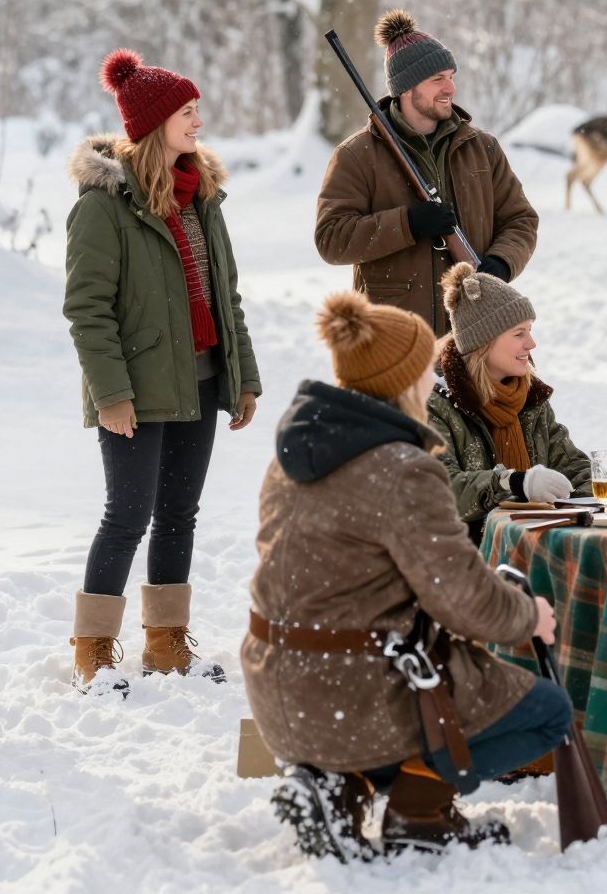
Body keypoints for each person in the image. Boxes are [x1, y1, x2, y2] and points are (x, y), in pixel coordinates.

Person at [245, 292, 575, 859]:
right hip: (354, 688)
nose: (432, 377)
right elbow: (465, 602)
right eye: (424, 367)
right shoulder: (402, 469)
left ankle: (339, 787)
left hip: (279, 687)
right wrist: (531, 614)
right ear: (403, 380)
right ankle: (412, 810)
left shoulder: (295, 454)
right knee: (549, 712)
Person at [62, 50, 261, 688]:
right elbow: (87, 311)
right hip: (136, 391)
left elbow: (226, 297)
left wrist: (243, 377)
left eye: (197, 110)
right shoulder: (103, 207)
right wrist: (111, 394)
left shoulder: (203, 196)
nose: (198, 122)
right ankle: (93, 652)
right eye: (186, 112)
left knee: (179, 513)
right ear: (152, 124)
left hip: (200, 382)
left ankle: (167, 644)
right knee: (127, 514)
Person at [315, 10, 538, 336]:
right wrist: (408, 223)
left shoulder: (483, 148)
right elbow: (331, 239)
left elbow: (521, 220)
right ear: (406, 89)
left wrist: (502, 262)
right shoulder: (356, 155)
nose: (451, 87)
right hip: (393, 336)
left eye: (451, 76)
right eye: (438, 80)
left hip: (473, 330)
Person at [427, 262, 592, 536]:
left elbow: (573, 467)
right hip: (465, 560)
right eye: (519, 334)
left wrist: (599, 494)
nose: (531, 344)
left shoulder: (531, 400)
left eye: (530, 330)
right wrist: (512, 482)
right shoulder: (435, 405)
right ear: (484, 342)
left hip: (531, 545)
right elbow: (440, 489)